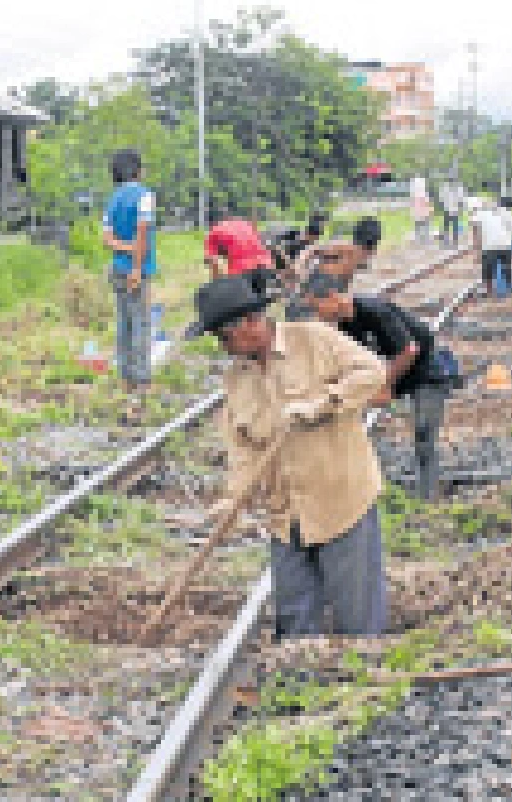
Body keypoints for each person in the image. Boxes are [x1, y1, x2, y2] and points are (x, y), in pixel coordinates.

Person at [188, 276, 388, 638]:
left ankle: (365, 669)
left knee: (357, 617)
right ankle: (300, 669)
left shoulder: (314, 339)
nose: (223, 347)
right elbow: (243, 449)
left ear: (250, 323)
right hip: (285, 513)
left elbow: (373, 372)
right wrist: (233, 498)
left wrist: (322, 404)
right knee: (294, 619)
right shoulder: (236, 378)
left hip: (341, 500)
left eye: (224, 337)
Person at [305, 265, 449, 501]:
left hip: (424, 372)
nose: (316, 314)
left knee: (424, 431)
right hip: (393, 372)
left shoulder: (374, 310)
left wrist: (385, 386)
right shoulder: (345, 325)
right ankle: (354, 487)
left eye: (316, 306)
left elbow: (409, 350)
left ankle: (428, 496)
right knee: (345, 415)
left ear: (332, 297)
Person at [102, 149, 156, 392]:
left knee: (123, 323)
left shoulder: (113, 199)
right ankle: (142, 379)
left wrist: (126, 247)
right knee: (140, 324)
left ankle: (126, 378)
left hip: (116, 268)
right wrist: (136, 265)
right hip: (137, 269)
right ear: (137, 170)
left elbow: (107, 240)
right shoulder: (145, 196)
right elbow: (142, 231)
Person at [204, 215, 276, 297]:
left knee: (236, 299)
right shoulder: (243, 223)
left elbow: (214, 262)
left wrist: (216, 285)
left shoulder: (213, 233)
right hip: (266, 266)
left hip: (243, 270)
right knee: (259, 298)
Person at [469, 196, 512, 298]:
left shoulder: (476, 216)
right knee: (506, 266)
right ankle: (510, 286)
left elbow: (476, 235)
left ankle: (488, 289)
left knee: (487, 268)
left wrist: (477, 251)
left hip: (490, 245)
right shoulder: (495, 211)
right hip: (505, 242)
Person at [438, 179, 464, 249]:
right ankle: (448, 241)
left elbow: (461, 199)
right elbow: (442, 198)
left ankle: (453, 241)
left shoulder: (457, 187)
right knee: (448, 226)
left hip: (453, 209)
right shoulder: (446, 187)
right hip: (449, 209)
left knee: (452, 226)